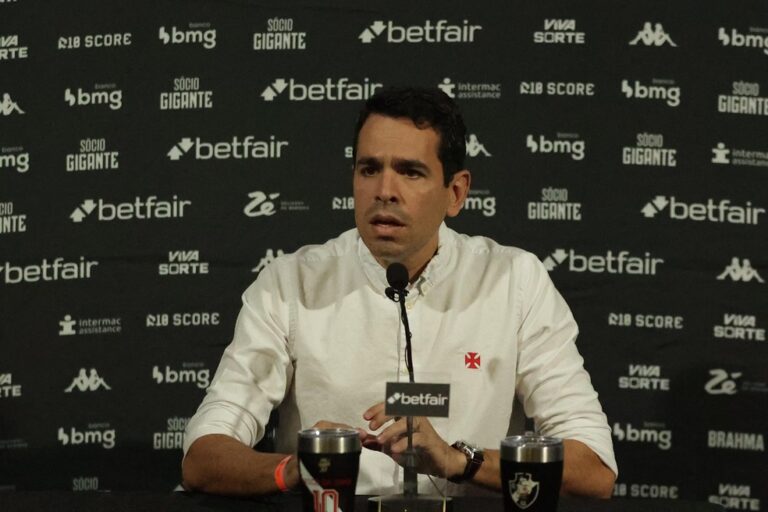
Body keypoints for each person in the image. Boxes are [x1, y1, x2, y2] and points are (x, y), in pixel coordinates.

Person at [182, 86, 617, 498]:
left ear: (456, 192)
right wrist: (298, 469)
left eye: (411, 172)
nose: (384, 191)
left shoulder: (514, 282)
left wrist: (458, 461)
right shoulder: (290, 284)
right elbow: (204, 455)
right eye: (369, 169)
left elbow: (594, 468)